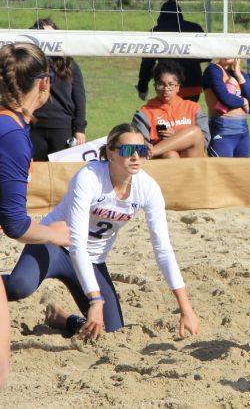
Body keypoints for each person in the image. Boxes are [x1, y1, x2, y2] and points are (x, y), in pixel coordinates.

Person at [3, 124, 200, 341]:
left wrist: (186, 308)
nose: (135, 156)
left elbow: (163, 249)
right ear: (110, 153)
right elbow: (77, 243)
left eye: (142, 150)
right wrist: (95, 300)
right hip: (55, 245)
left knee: (111, 333)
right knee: (19, 286)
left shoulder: (148, 188)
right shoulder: (89, 177)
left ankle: (63, 319)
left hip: (93, 260)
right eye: (127, 150)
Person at [0, 43, 72, 387]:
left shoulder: (11, 126)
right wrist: (54, 233)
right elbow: (15, 224)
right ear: (43, 84)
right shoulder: (12, 134)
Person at [27, 19, 87, 160]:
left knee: (61, 172)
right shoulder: (29, 65)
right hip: (34, 126)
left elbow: (80, 98)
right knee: (36, 172)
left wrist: (79, 129)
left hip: (62, 127)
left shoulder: (69, 65)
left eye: (52, 35)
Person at [132, 61, 210, 159]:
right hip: (160, 163)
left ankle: (153, 151)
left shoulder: (193, 108)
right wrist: (148, 146)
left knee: (195, 132)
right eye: (161, 84)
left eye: (171, 84)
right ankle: (154, 152)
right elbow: (134, 148)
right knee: (171, 155)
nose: (166, 89)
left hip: (192, 160)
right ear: (155, 86)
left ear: (178, 87)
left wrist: (175, 136)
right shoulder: (144, 113)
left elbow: (204, 142)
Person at [136, 0, 207, 102]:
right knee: (188, 116)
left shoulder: (155, 32)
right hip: (193, 86)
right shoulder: (195, 28)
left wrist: (142, 86)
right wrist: (189, 59)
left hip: (168, 86)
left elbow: (147, 63)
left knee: (170, 117)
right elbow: (207, 56)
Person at [203, 58, 250, 158]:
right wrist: (244, 101)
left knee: (243, 171)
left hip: (243, 135)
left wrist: (239, 75)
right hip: (222, 133)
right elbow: (225, 98)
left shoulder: (240, 74)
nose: (227, 54)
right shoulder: (213, 70)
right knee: (222, 172)